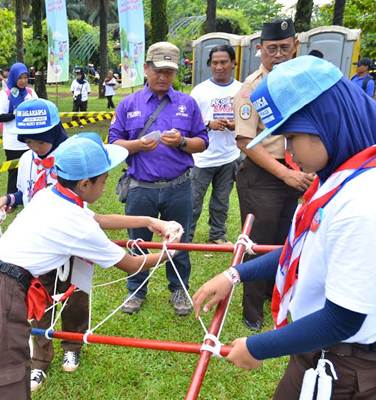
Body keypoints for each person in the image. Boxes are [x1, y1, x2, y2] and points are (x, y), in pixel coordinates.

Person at [194, 55, 376, 400]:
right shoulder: (340, 177)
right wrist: (235, 275)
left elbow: (344, 318)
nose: (289, 153)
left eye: (292, 136)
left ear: (326, 121)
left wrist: (258, 347)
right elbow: (303, 249)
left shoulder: (363, 203)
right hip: (319, 353)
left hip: (347, 368)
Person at [0, 131, 183, 399]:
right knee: (7, 383)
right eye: (104, 179)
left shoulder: (51, 195)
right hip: (1, 296)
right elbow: (132, 264)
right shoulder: (75, 223)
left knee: (8, 375)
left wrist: (151, 221)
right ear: (84, 184)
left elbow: (99, 219)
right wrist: (170, 251)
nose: (106, 185)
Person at [0, 99, 86, 391]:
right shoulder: (27, 158)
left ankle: (73, 344)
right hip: (36, 244)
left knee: (74, 293)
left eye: (39, 140)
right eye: (28, 140)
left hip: (69, 238)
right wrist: (8, 200)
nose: (33, 146)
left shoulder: (71, 158)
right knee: (37, 299)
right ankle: (40, 359)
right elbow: (22, 193)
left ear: (55, 132)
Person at [109, 41, 208, 316]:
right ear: (146, 68)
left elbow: (203, 141)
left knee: (179, 240)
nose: (163, 77)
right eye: (158, 70)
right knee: (138, 242)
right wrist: (138, 145)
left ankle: (179, 288)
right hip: (141, 188)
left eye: (169, 71)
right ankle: (136, 291)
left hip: (179, 187)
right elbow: (114, 143)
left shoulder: (187, 104)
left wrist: (182, 142)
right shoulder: (129, 104)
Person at [233, 18, 314, 331]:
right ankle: (252, 308)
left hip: (298, 174)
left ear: (295, 46)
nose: (278, 54)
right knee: (258, 244)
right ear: (260, 49)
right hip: (263, 175)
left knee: (287, 239)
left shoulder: (301, 80)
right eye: (272, 48)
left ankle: (273, 293)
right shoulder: (252, 89)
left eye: (284, 47)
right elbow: (244, 141)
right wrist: (285, 174)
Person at [189, 45, 242, 244]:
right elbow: (189, 123)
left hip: (229, 156)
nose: (219, 66)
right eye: (215, 63)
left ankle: (217, 235)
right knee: (193, 201)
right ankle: (186, 236)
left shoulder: (242, 89)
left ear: (233, 63)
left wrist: (235, 125)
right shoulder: (199, 91)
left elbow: (249, 120)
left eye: (223, 62)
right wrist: (208, 124)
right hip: (202, 158)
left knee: (221, 201)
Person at [0, 62, 38, 194]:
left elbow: (37, 108)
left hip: (30, 139)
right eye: (20, 78)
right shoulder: (4, 94)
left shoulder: (30, 93)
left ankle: (30, 194)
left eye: (25, 77)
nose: (23, 81)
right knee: (13, 171)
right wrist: (16, 114)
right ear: (13, 77)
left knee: (31, 168)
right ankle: (11, 199)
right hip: (13, 141)